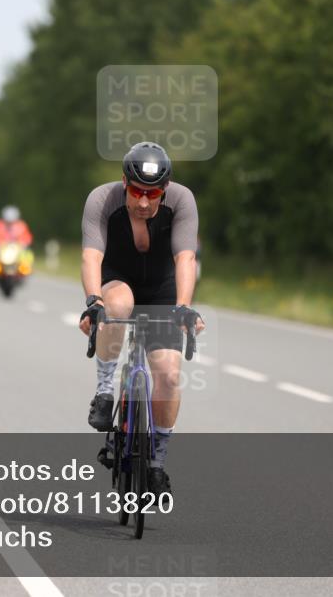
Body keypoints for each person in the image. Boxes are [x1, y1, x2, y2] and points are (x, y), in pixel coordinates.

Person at [78, 142, 205, 499]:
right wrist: (93, 302)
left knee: (168, 372)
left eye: (153, 194)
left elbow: (185, 258)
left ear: (165, 189)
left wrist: (183, 306)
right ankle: (104, 392)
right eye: (137, 192)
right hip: (117, 280)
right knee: (118, 303)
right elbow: (91, 255)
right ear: (124, 183)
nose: (145, 202)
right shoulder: (102, 200)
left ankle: (157, 462)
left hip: (162, 289)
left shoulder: (182, 200)